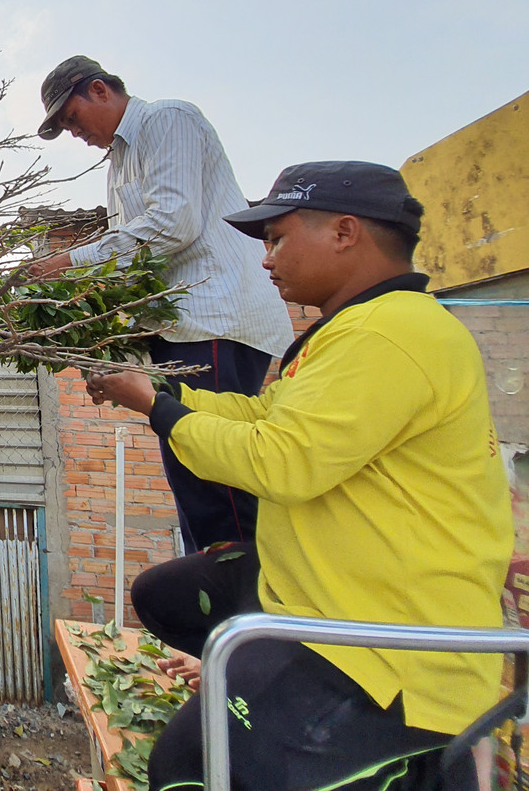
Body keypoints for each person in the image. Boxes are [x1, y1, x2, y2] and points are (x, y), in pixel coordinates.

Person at [88, 161, 512, 791]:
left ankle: (419, 759)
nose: (265, 260)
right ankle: (258, 679)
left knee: (182, 770)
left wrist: (157, 408)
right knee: (166, 593)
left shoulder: (392, 334)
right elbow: (264, 415)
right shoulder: (347, 332)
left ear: (344, 232)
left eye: (277, 239)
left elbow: (278, 459)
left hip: (384, 648)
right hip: (321, 589)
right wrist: (158, 393)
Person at [34, 56, 292, 551]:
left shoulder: (167, 120)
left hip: (213, 318)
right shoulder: (118, 163)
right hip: (179, 326)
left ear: (99, 90)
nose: (74, 133)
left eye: (71, 118)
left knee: (217, 478)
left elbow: (174, 223)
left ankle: (240, 612)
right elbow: (132, 254)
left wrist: (71, 263)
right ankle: (215, 607)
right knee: (190, 469)